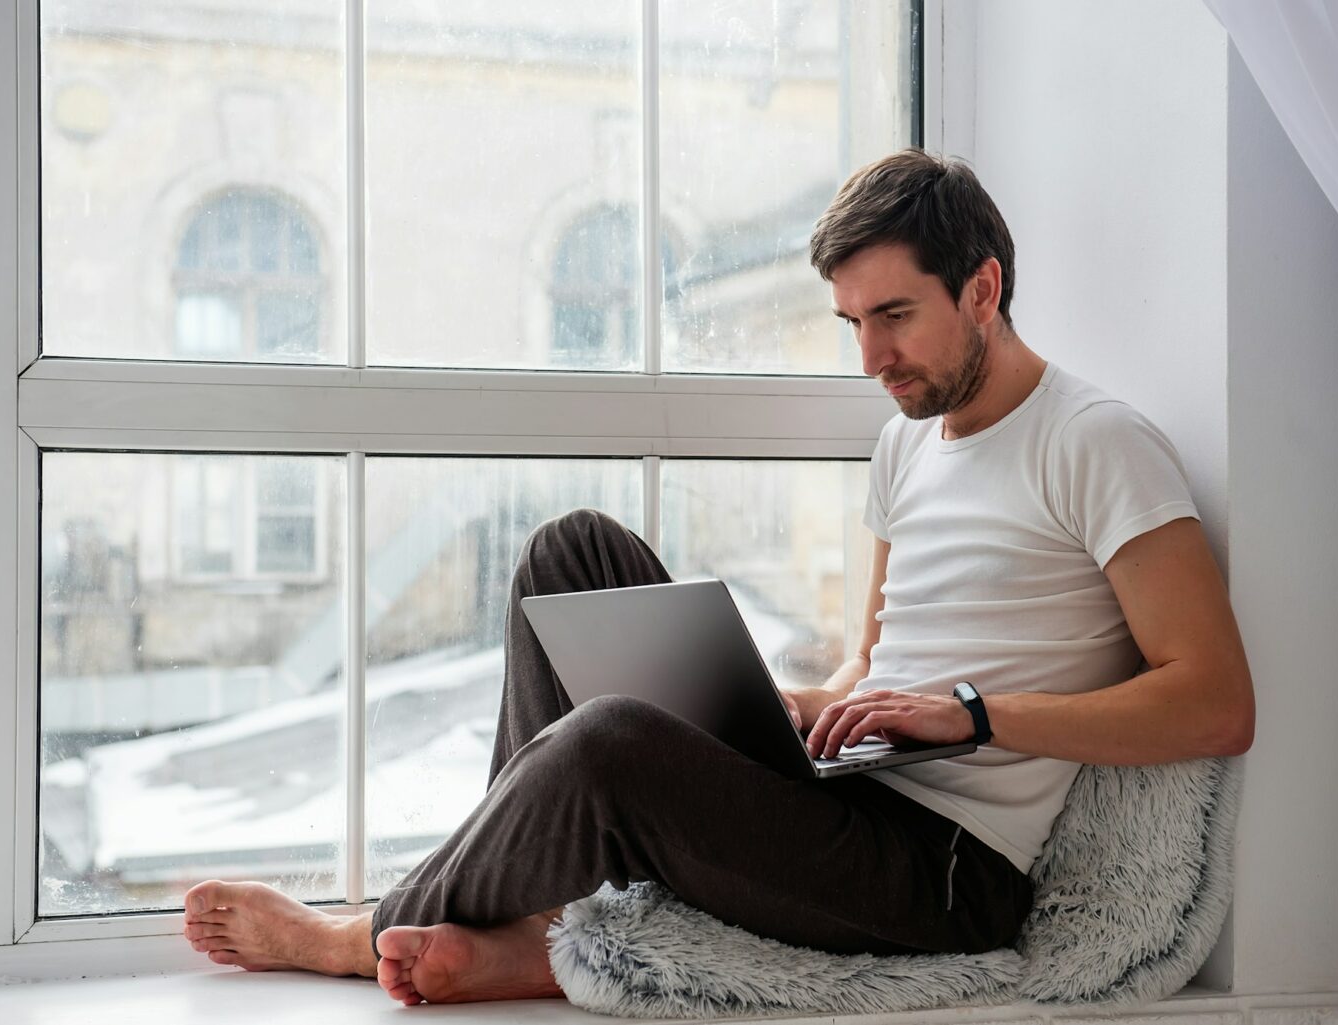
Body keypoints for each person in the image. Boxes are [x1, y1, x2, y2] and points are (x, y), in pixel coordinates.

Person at [179, 148, 1256, 1006]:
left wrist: (971, 715)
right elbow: (868, 663)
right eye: (853, 324)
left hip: (946, 868)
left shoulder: (1100, 443)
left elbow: (1215, 702)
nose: (872, 357)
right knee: (573, 551)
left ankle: (354, 934)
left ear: (983, 289)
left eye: (895, 317)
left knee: (612, 742)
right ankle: (532, 925)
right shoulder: (908, 444)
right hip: (850, 789)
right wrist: (796, 702)